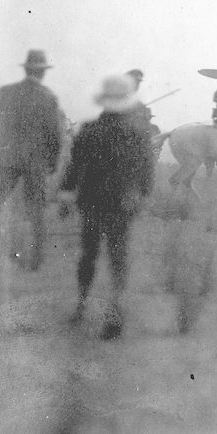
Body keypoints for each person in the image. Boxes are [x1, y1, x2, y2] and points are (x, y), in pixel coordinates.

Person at [59, 74, 154, 340]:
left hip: (91, 201)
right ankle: (115, 310)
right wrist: (142, 196)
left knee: (88, 254)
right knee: (118, 256)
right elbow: (147, 172)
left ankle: (81, 305)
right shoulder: (138, 134)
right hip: (123, 204)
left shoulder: (89, 130)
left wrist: (66, 196)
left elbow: (74, 168)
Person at [0, 50, 62, 269]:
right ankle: (36, 257)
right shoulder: (48, 97)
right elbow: (55, 136)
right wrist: (53, 162)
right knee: (35, 207)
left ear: (26, 69)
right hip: (36, 160)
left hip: (9, 156)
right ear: (42, 72)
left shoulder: (7, 92)